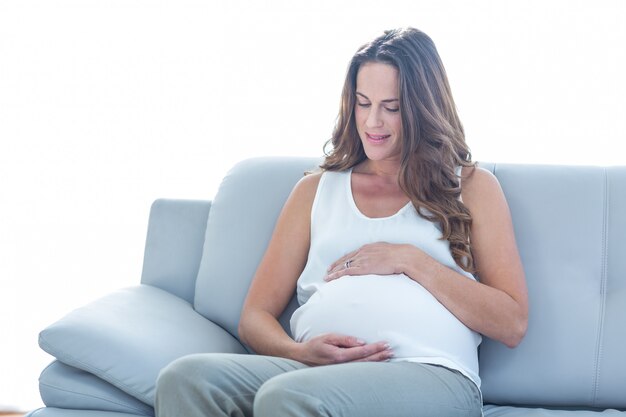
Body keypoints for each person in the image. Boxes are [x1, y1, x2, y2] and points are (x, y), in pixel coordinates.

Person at [155, 27, 528, 417]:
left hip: (431, 372)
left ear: (423, 107)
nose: (373, 122)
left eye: (392, 107)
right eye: (363, 103)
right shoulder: (315, 190)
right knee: (185, 378)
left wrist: (410, 260)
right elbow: (255, 317)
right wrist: (298, 353)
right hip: (310, 373)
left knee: (289, 399)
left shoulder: (470, 186)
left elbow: (512, 322)